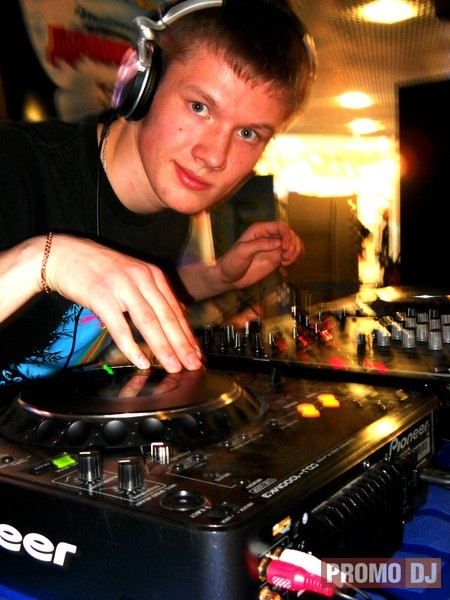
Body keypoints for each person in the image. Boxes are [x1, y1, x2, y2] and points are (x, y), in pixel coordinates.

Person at [0, 0, 315, 391]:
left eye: (248, 133)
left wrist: (217, 277)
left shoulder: (170, 208)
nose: (214, 157)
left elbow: (130, 291)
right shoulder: (14, 164)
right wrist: (44, 261)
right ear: (139, 84)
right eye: (199, 107)